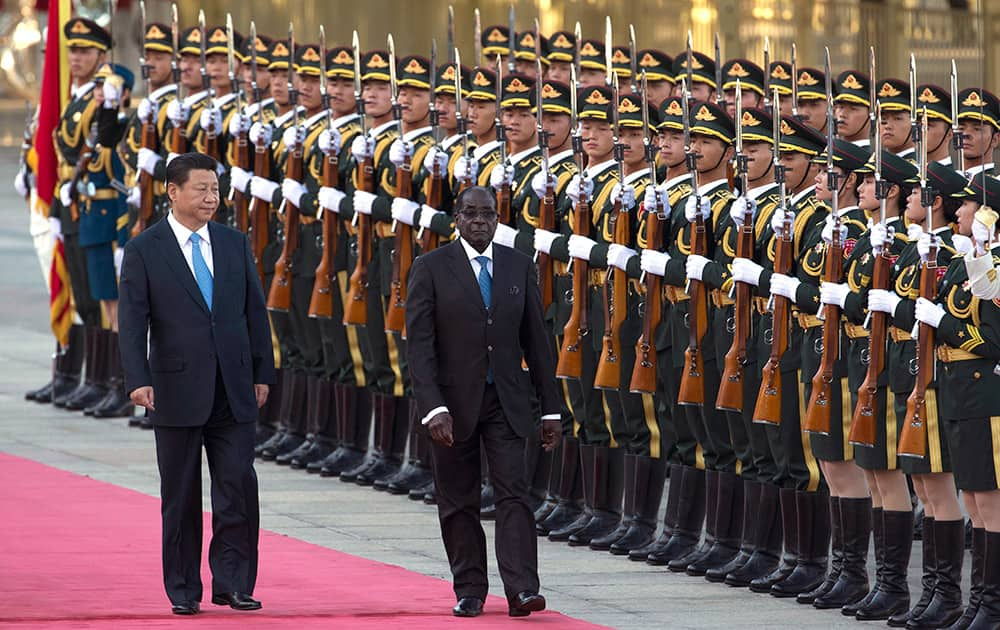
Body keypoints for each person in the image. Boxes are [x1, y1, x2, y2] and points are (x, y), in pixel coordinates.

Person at [118, 152, 275, 615]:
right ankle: (184, 589)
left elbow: (254, 313)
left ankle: (234, 582)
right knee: (181, 495)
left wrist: (263, 372)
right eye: (201, 189)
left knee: (237, 489)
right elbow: (132, 322)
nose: (211, 198)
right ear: (173, 192)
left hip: (234, 387)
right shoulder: (145, 249)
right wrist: (137, 379)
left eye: (215, 189)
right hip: (176, 389)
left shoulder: (233, 242)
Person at [405, 186, 562, 618]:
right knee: (458, 499)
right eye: (471, 214)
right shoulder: (431, 267)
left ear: (498, 219)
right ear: (456, 218)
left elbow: (537, 341)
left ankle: (522, 589)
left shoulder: (517, 265)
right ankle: (470, 587)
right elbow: (420, 347)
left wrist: (550, 408)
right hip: (452, 406)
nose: (479, 221)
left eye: (488, 215)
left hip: (506, 402)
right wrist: (432, 408)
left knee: (514, 493)